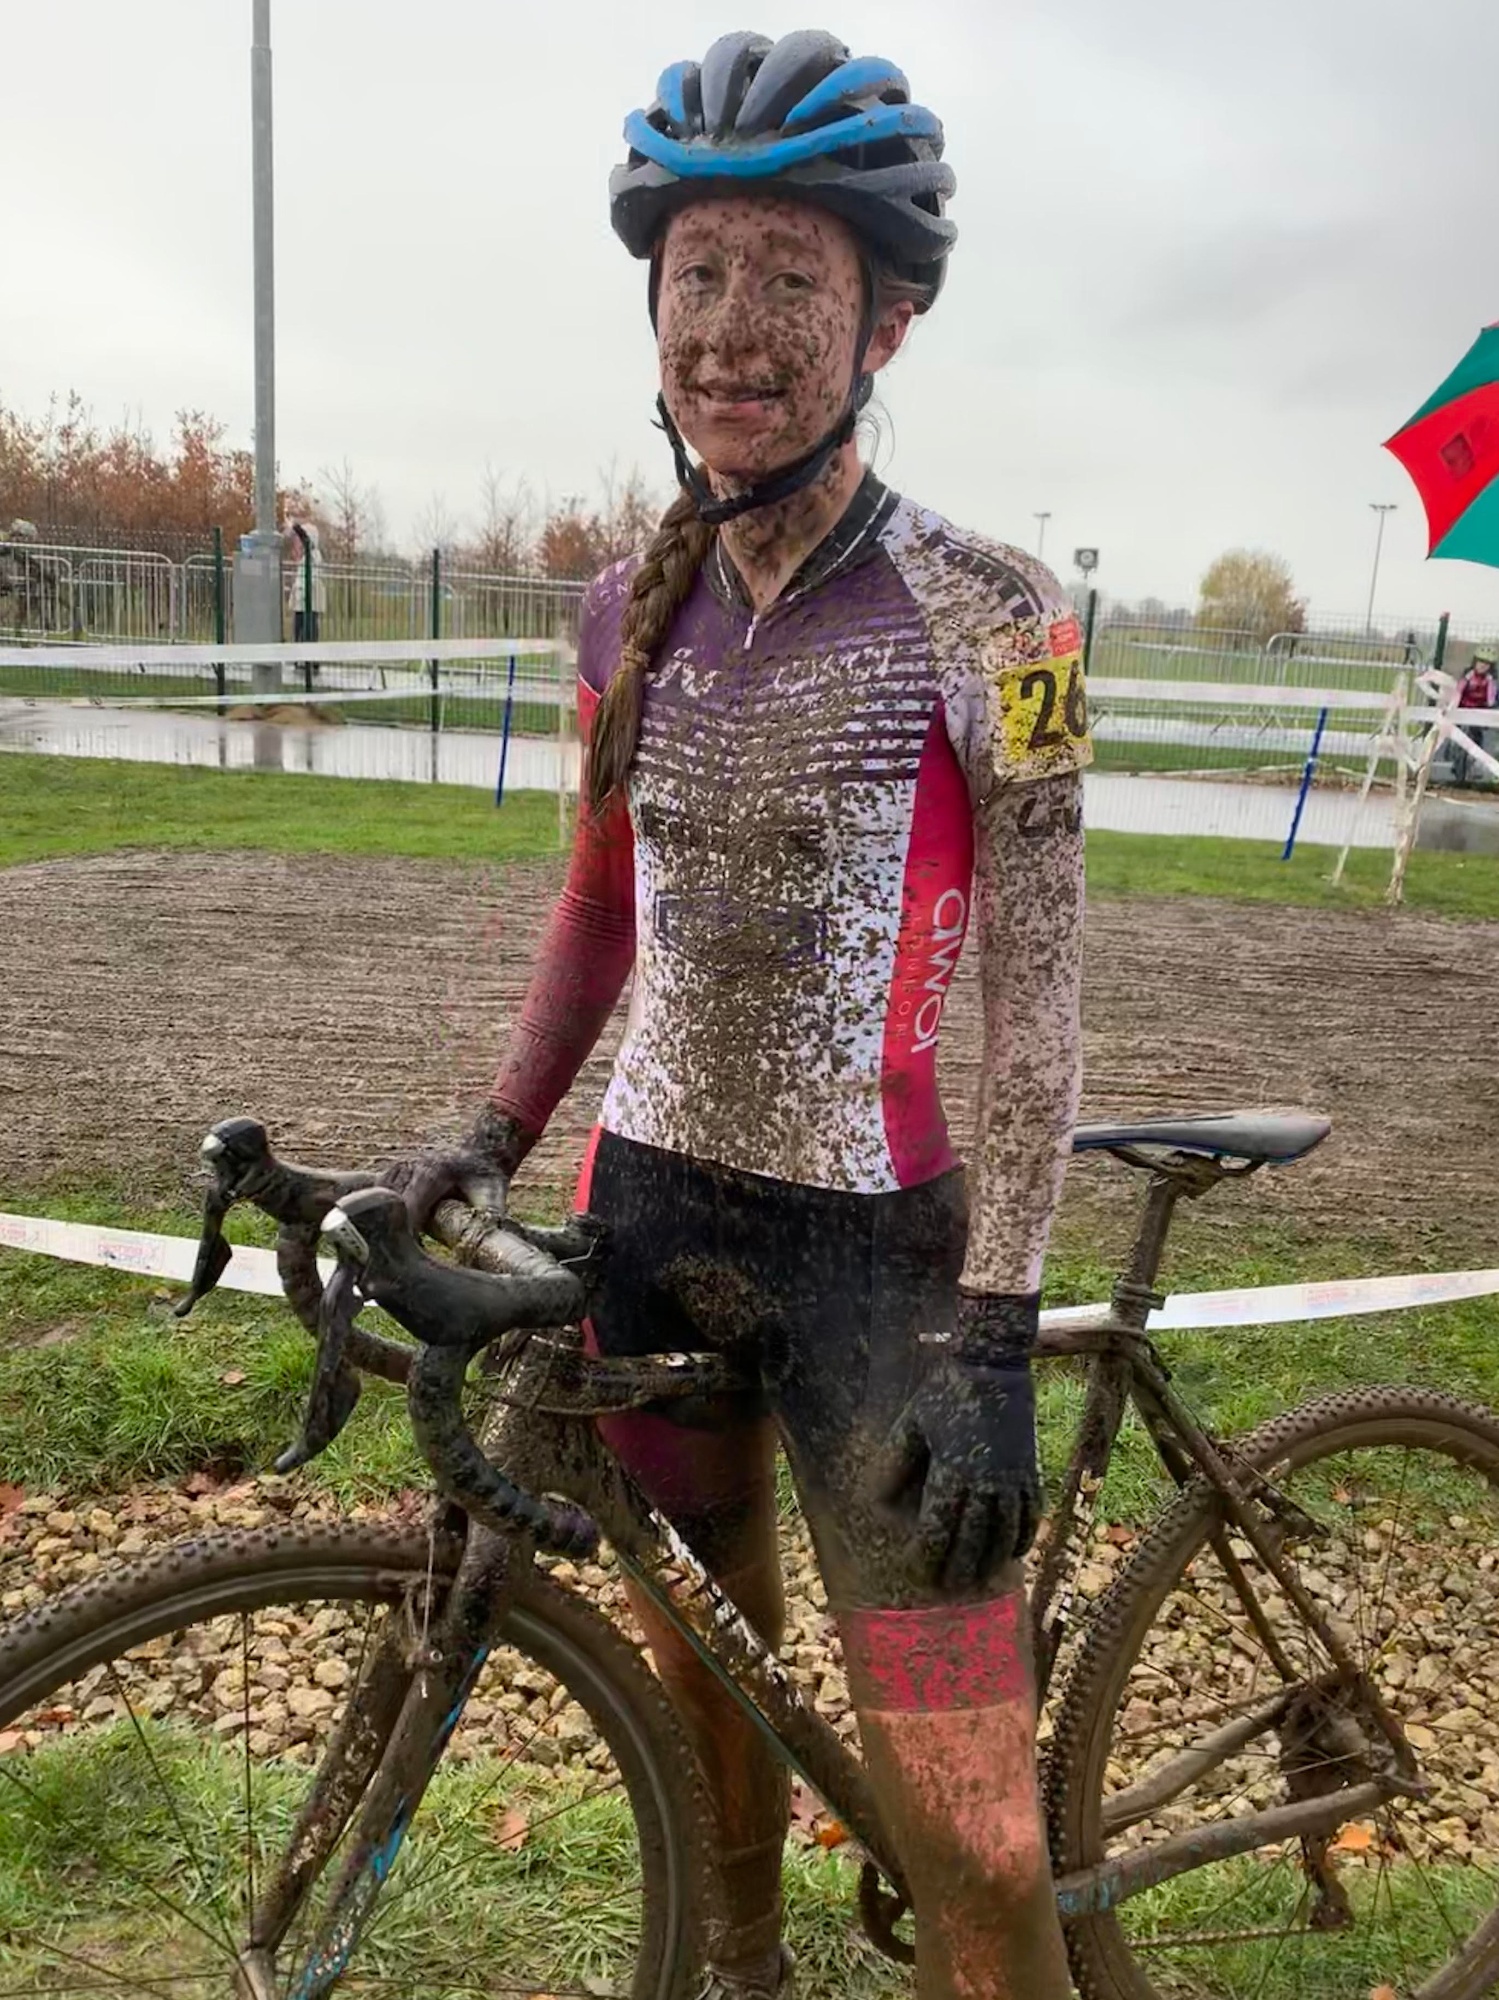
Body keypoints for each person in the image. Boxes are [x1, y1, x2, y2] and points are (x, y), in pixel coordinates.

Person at [394, 31, 1088, 1999]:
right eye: (696, 270)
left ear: (886, 321)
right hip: (645, 1232)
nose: (731, 325)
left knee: (968, 1826)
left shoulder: (1008, 618)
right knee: (709, 1725)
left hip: (881, 1269)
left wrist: (999, 1322)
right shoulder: (614, 611)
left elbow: (1036, 991)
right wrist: (496, 1127)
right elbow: (600, 912)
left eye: (788, 275)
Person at [283, 517, 327, 683]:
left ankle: (311, 661)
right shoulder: (305, 557)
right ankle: (300, 660)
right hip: (302, 601)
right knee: (300, 629)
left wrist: (294, 526)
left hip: (310, 600)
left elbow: (305, 539)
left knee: (309, 630)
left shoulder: (314, 555)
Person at [1454, 651, 1498, 785]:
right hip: (1463, 709)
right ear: (1474, 662)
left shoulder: (1490, 680)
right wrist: (1454, 704)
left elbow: (1491, 697)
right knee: (1457, 735)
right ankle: (1456, 758)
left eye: (1486, 664)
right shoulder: (1468, 676)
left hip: (1480, 710)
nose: (1482, 666)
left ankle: (1474, 762)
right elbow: (1458, 691)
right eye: (1480, 662)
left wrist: (1490, 707)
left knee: (1476, 735)